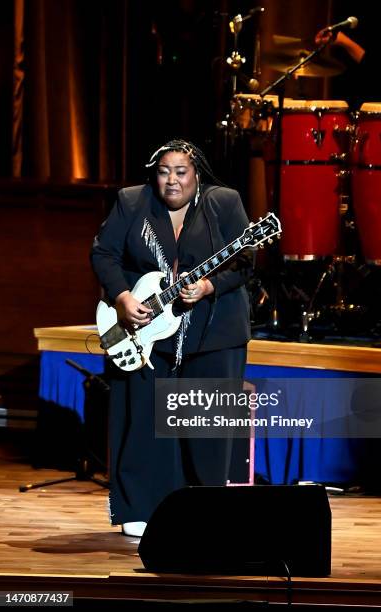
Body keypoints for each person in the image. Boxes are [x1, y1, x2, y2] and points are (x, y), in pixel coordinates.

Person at [90, 139, 253, 537]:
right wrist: (122, 296)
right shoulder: (132, 201)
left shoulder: (224, 203)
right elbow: (103, 254)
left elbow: (247, 263)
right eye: (165, 172)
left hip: (213, 333)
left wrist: (210, 286)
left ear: (197, 174)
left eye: (181, 172)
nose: (173, 181)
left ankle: (203, 511)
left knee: (205, 425)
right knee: (143, 421)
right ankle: (141, 508)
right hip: (145, 332)